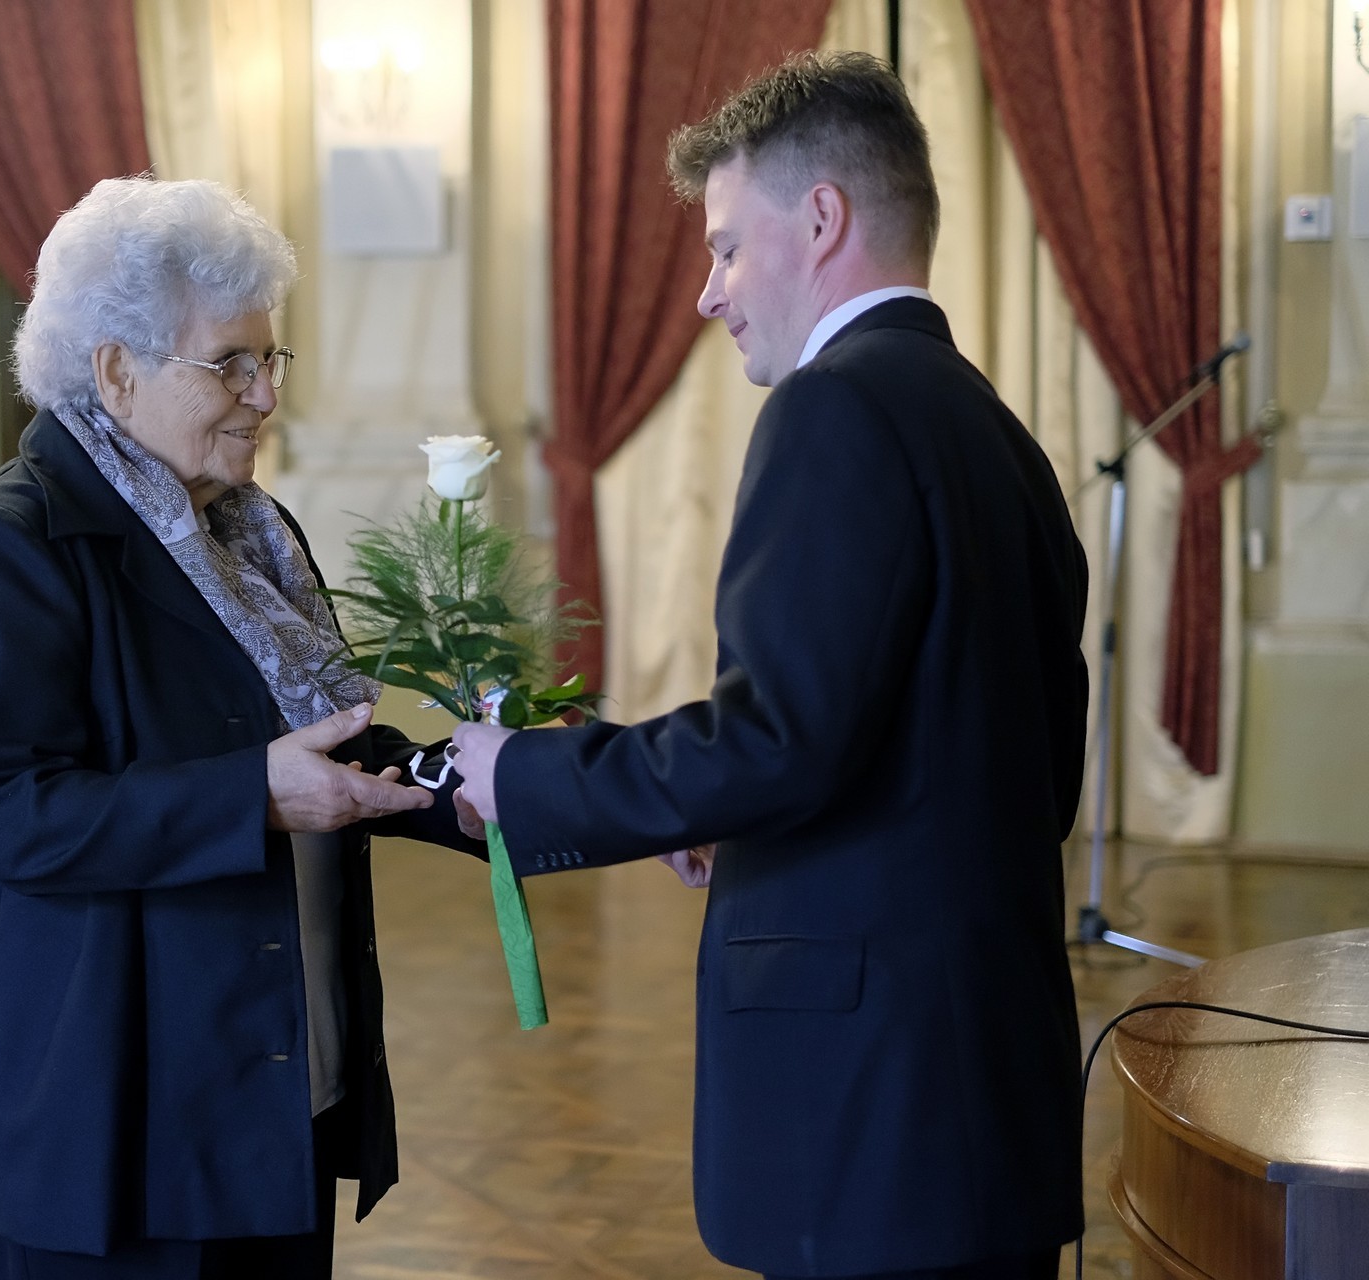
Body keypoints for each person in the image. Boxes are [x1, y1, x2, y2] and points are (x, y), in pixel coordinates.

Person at [449, 53, 1089, 1280]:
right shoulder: (997, 431)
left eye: (729, 249)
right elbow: (1013, 773)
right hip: (987, 1094)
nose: (710, 293)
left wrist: (523, 774)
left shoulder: (830, 407)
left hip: (870, 1110)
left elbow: (778, 740)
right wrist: (731, 809)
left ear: (823, 218)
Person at [0, 178, 477, 1280]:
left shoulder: (249, 531)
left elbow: (336, 732)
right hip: (118, 1128)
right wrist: (252, 796)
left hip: (269, 1096)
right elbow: (8, 811)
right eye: (230, 363)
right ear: (116, 371)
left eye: (271, 358)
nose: (266, 393)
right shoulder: (5, 546)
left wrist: (518, 784)